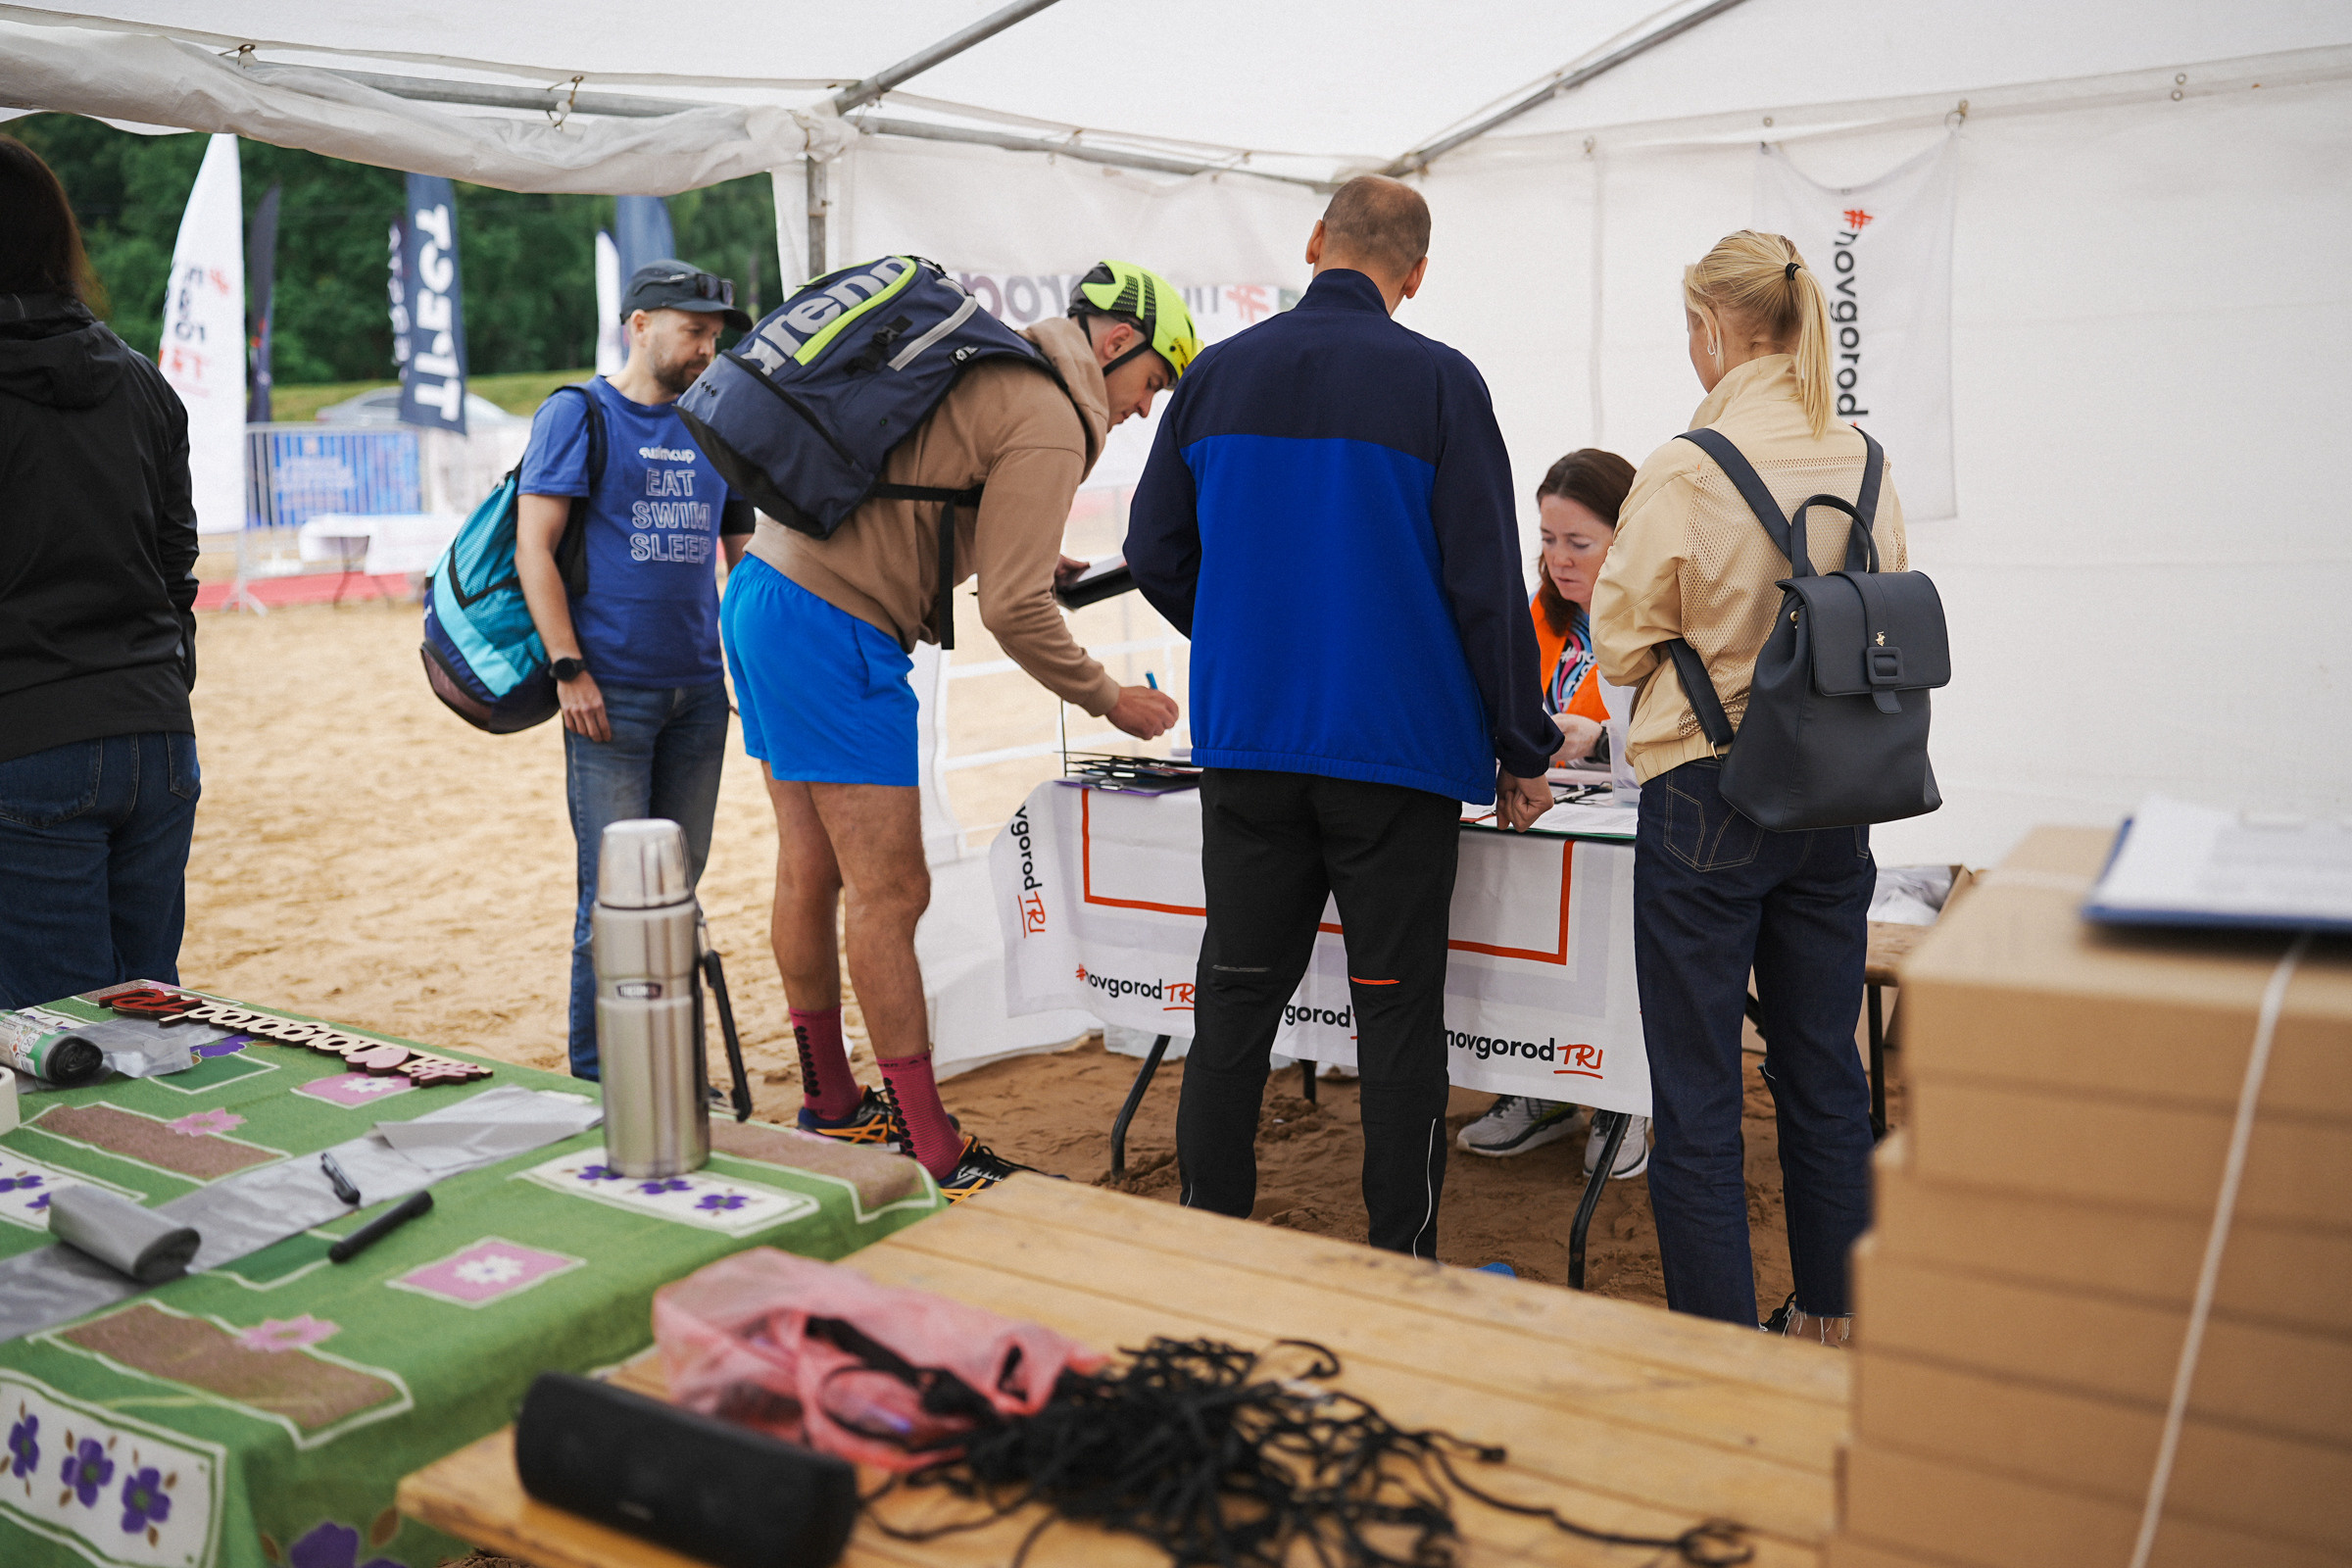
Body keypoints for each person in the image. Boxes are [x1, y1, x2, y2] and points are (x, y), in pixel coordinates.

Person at [1126, 175, 1557, 1259]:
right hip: (1397, 754)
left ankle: (1210, 1226)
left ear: (1315, 242)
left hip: (1253, 739)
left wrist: (1239, 628)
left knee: (1234, 996)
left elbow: (1153, 552)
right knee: (1396, 1009)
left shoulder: (1216, 374)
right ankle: (1398, 1250)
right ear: (1415, 275)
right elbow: (1485, 583)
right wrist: (1521, 742)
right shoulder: (1443, 383)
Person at [724, 260, 1190, 1200]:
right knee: (892, 892)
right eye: (1151, 382)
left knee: (808, 870)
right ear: (1114, 343)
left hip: (765, 591)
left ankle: (832, 1101)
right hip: (836, 624)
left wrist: (1019, 548)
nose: (1145, 409)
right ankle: (928, 1143)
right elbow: (1014, 614)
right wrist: (1111, 697)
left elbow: (935, 489)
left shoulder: (1003, 364)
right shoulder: (1055, 416)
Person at [1592, 229, 1907, 1343]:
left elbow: (1622, 641)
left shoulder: (1688, 465)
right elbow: (1886, 619)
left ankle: (1719, 1346)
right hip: (1839, 797)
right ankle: (1832, 1318)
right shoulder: (1863, 457)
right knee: (1826, 1074)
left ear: (1715, 328)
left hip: (1709, 794)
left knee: (1698, 1095)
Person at [514, 260, 755, 1079]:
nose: (705, 349)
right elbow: (533, 550)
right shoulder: (577, 413)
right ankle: (597, 1080)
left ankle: (669, 1075)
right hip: (609, 696)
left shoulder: (716, 422)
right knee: (611, 902)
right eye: (693, 331)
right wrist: (568, 667)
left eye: (714, 336)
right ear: (640, 324)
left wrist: (746, 672)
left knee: (676, 900)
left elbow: (742, 558)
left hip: (698, 695)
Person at [0, 136, 203, 1009]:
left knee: (64, 1046)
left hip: (31, 737)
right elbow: (176, 569)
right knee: (147, 1021)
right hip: (156, 737)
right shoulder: (142, 384)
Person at [1454, 448, 1652, 1177]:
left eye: (1579, 543)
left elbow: (1665, 734)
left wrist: (1597, 739)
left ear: (1626, 537)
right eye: (1547, 540)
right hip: (1543, 823)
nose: (1559, 559)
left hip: (1628, 834)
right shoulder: (1534, 616)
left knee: (1622, 943)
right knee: (1512, 930)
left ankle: (1624, 1099)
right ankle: (1539, 1088)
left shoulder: (1660, 620)